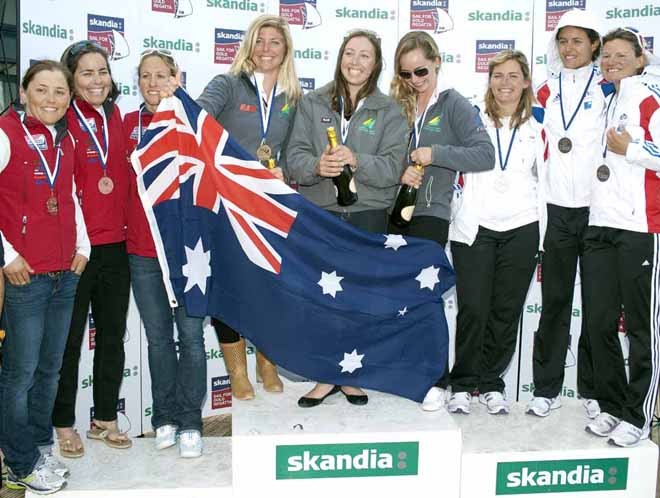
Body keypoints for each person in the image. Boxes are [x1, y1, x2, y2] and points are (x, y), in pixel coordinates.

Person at [286, 29, 409, 407]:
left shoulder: (390, 110)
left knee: (359, 300)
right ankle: (325, 376)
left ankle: (352, 374)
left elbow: (393, 167)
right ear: (340, 58)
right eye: (349, 54)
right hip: (321, 213)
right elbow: (294, 160)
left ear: (376, 65)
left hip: (367, 215)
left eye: (365, 56)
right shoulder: (313, 102)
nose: (355, 63)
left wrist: (357, 159)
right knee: (322, 300)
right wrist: (316, 166)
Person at [389, 30, 494, 411]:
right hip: (392, 211)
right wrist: (401, 170)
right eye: (406, 74)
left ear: (436, 63)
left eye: (421, 71)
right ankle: (405, 372)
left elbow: (484, 154)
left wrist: (435, 153)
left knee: (427, 296)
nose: (414, 81)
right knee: (399, 299)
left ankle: (438, 379)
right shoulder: (394, 106)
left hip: (431, 213)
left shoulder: (454, 105)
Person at [197, 15, 300, 400]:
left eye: (275, 42)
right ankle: (237, 371)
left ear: (285, 50)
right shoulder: (228, 83)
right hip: (225, 204)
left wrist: (283, 173)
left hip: (269, 206)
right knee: (228, 286)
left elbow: (293, 153)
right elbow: (196, 118)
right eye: (260, 41)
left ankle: (267, 362)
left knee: (269, 287)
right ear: (248, 46)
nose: (266, 49)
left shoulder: (292, 97)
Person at [0, 60, 90, 494]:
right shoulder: (5, 133)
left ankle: (37, 447)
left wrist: (84, 246)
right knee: (20, 374)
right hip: (26, 276)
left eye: (60, 92)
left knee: (50, 370)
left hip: (63, 274)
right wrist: (7, 254)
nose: (51, 99)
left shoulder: (65, 138)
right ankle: (17, 462)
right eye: (42, 90)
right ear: (23, 92)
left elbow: (71, 194)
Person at [447, 50, 544, 415]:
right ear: (489, 80)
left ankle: (491, 382)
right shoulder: (470, 118)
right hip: (475, 226)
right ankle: (461, 383)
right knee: (472, 308)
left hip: (522, 225)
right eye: (498, 75)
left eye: (513, 75)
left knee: (506, 310)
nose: (505, 83)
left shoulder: (540, 123)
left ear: (525, 81)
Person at [124, 49, 206, 458]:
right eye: (145, 77)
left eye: (162, 76)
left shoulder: (194, 124)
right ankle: (165, 418)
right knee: (159, 340)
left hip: (189, 254)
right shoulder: (127, 124)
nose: (153, 84)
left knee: (191, 338)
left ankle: (192, 421)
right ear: (136, 82)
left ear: (177, 78)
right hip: (142, 251)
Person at [526, 9, 607, 419]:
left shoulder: (611, 88)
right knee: (555, 302)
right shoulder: (544, 90)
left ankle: (593, 390)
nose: (569, 48)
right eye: (563, 41)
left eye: (578, 41)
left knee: (596, 305)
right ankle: (546, 388)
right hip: (556, 209)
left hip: (598, 212)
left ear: (594, 44)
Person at [581, 28, 660, 447]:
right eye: (606, 55)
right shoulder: (606, 100)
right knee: (598, 323)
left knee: (643, 329)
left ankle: (639, 414)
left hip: (640, 229)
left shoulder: (650, 98)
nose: (611, 61)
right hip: (600, 226)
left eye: (621, 55)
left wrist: (631, 150)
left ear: (640, 60)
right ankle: (611, 405)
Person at [52, 41, 131, 456]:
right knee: (69, 340)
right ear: (71, 78)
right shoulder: (62, 120)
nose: (97, 80)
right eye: (86, 73)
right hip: (77, 251)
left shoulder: (116, 115)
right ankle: (63, 422)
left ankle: (105, 418)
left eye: (102, 71)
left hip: (117, 246)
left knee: (113, 337)